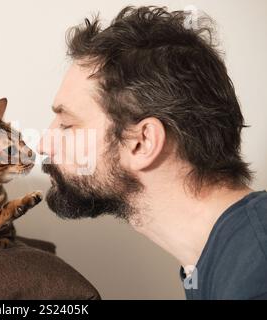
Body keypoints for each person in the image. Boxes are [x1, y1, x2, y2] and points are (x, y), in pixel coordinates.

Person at [37, 6, 267, 300]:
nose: (43, 144)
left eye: (67, 125)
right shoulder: (212, 261)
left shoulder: (256, 276)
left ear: (143, 142)